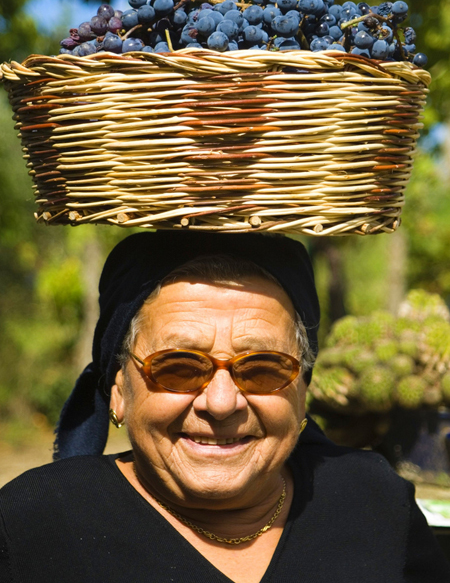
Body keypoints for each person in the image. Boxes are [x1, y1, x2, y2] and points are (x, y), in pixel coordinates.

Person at [0, 231, 449, 583]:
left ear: (302, 392)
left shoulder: (373, 500)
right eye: (178, 367)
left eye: (263, 369)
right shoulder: (35, 522)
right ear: (119, 389)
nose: (220, 403)